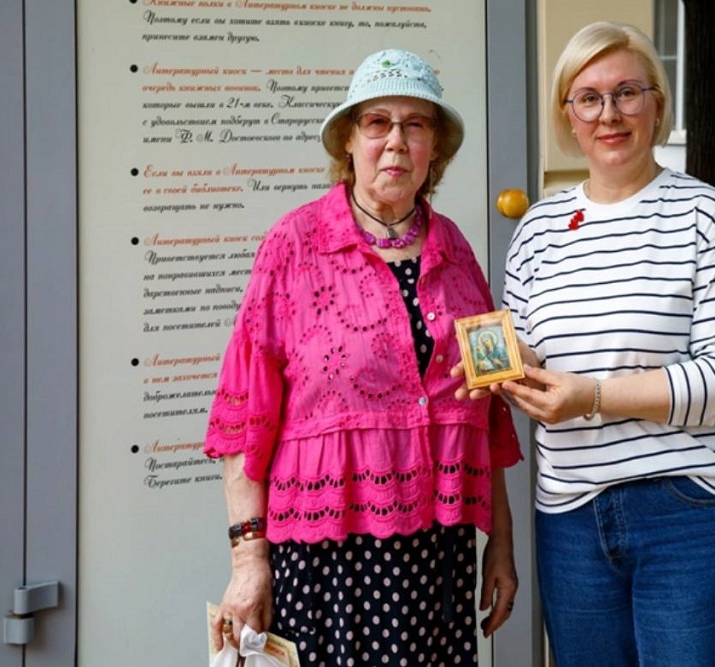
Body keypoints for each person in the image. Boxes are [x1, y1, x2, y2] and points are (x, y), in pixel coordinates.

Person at [204, 49, 522, 667]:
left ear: (434, 148)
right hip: (329, 558)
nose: (396, 141)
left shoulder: (455, 250)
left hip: (439, 555)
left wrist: (501, 543)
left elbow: (485, 411)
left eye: (415, 124)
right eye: (377, 122)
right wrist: (248, 562)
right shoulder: (294, 244)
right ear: (349, 142)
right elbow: (244, 417)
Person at [460, 21, 715, 667]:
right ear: (567, 114)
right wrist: (508, 367)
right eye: (589, 97)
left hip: (687, 506)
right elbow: (534, 353)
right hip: (571, 516)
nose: (609, 114)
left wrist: (593, 397)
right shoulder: (540, 227)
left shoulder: (706, 214)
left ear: (657, 103)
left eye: (627, 92)